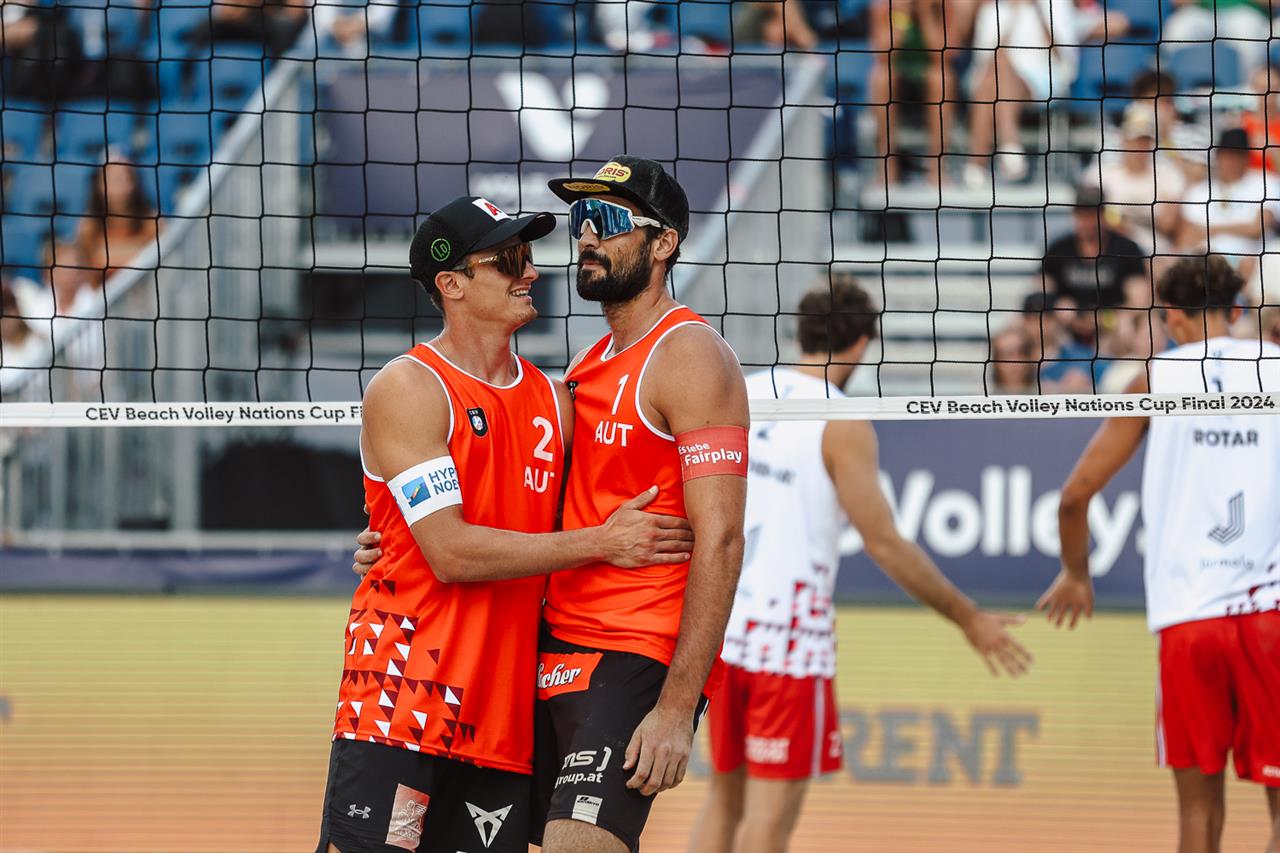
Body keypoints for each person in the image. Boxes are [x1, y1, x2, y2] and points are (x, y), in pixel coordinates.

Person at [316, 195, 694, 853]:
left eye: (528, 256)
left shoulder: (556, 400)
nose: (531, 271)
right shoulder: (410, 386)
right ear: (452, 283)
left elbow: (563, 520)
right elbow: (451, 552)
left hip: (501, 721)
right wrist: (603, 542)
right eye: (509, 260)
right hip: (400, 701)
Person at [689, 279, 1033, 853]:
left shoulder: (742, 390)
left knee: (723, 801)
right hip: (787, 647)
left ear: (801, 331)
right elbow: (884, 543)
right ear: (862, 343)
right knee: (768, 822)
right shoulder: (841, 420)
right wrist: (968, 617)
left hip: (722, 633)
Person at [534, 156, 751, 853]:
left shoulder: (690, 355)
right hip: (552, 641)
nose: (587, 236)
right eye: (580, 219)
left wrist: (678, 709)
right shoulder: (590, 360)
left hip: (634, 652)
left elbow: (722, 538)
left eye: (608, 219)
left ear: (665, 243)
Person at [1038, 255, 1280, 853]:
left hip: (1189, 620)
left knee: (1198, 817)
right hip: (1270, 616)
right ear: (1237, 310)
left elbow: (1073, 498)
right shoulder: (1276, 368)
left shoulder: (1156, 378)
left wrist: (1075, 573)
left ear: (1171, 316)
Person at [964, 0, 1078, 186]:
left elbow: (1063, 58)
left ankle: (977, 164)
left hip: (1043, 76)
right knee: (998, 66)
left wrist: (1037, 10)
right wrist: (1014, 14)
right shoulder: (992, 9)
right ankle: (1010, 147)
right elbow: (982, 61)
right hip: (993, 78)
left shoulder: (1057, 4)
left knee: (994, 76)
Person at [1041, 185, 1149, 361]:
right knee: (1042, 320)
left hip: (1112, 327)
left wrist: (1104, 319)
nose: (1087, 222)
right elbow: (1041, 290)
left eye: (1092, 215)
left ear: (1103, 215)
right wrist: (1059, 306)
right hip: (1068, 327)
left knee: (1128, 324)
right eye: (1082, 215)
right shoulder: (1059, 248)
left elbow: (1139, 301)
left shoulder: (1126, 248)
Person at [1176, 126, 1279, 293]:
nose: (1232, 161)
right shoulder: (1199, 191)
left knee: (1249, 265)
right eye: (1228, 155)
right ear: (1218, 156)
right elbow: (1185, 239)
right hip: (1206, 266)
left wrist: (1210, 230)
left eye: (1238, 155)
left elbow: (1258, 228)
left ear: (1247, 158)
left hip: (1252, 264)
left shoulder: (1265, 182)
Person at [73, 156, 162, 290]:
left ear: (133, 182)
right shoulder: (88, 228)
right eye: (113, 180)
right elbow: (87, 276)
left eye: (124, 178)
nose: (120, 185)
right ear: (99, 185)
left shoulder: (153, 223)